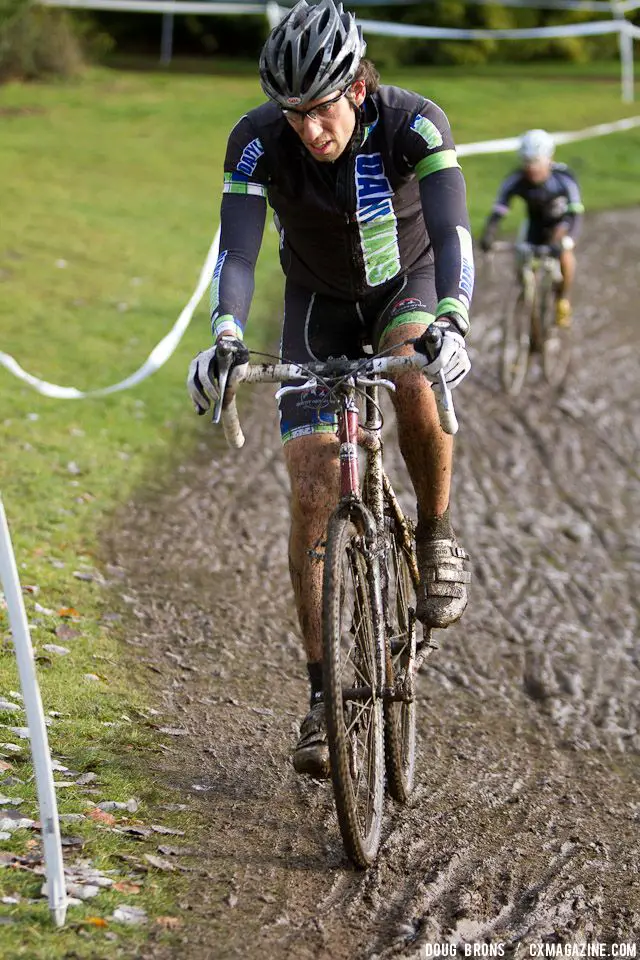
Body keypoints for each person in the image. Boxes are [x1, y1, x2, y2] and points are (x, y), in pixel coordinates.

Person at [187, 0, 474, 779]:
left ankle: (437, 534)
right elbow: (238, 252)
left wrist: (453, 315)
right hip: (315, 308)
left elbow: (451, 230)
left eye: (321, 110)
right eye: (295, 113)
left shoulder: (413, 122)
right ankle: (323, 696)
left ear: (355, 87)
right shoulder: (255, 141)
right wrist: (223, 335)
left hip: (403, 290)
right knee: (312, 489)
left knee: (414, 367)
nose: (310, 130)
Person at [480, 128, 583, 328]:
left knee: (565, 255)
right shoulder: (516, 179)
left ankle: (562, 299)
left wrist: (569, 240)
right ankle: (529, 310)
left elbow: (575, 213)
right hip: (534, 226)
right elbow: (499, 209)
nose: (531, 168)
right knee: (524, 267)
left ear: (549, 158)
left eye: (536, 162)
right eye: (526, 162)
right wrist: (489, 232)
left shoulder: (564, 178)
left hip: (560, 225)